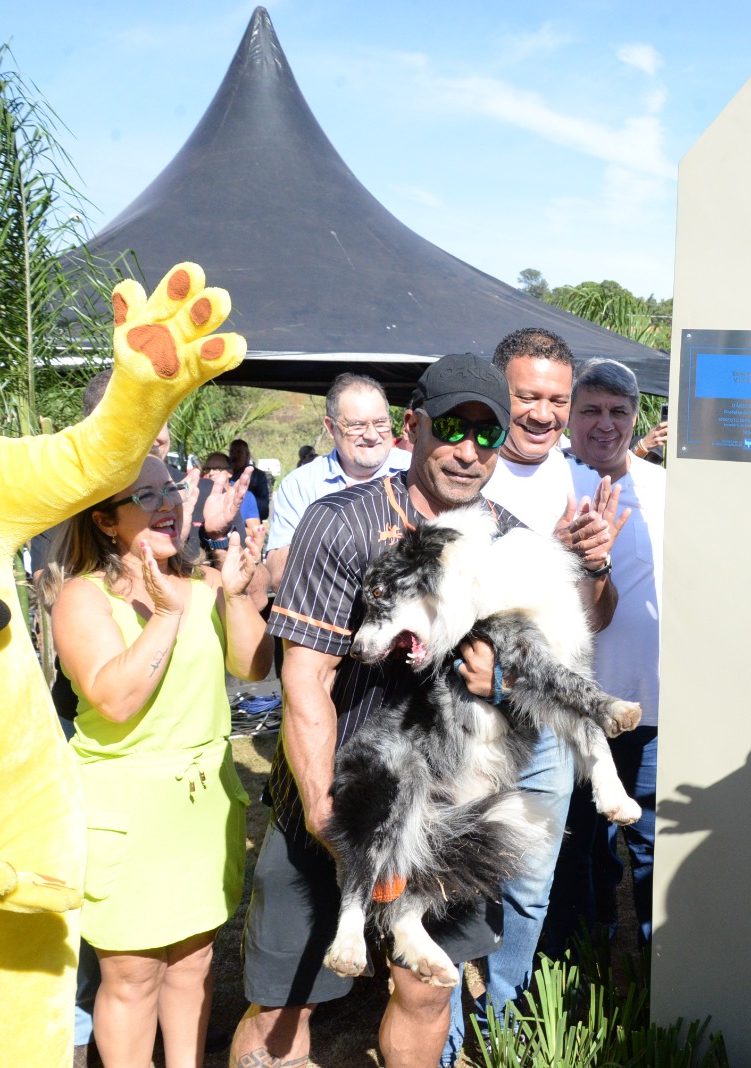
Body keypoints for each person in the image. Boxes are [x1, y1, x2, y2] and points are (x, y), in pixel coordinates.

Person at [231, 353, 520, 1068]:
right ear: (413, 427)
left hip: (445, 814)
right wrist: (327, 818)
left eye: (487, 435)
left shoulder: (510, 542)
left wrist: (501, 676)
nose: (468, 448)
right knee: (286, 1002)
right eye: (452, 426)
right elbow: (306, 677)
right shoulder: (344, 524)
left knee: (426, 993)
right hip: (330, 792)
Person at [48, 456, 271, 1068]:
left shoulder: (200, 586)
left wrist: (239, 591)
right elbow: (116, 699)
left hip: (202, 807)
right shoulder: (82, 598)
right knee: (132, 978)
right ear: (105, 520)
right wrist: (168, 616)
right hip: (129, 814)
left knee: (196, 962)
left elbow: (254, 667)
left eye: (171, 486)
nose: (168, 501)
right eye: (145, 495)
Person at [469, 329, 625, 1043]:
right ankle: (433, 1028)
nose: (542, 413)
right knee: (451, 875)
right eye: (527, 396)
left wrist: (592, 568)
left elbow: (593, 619)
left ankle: (498, 1021)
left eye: (556, 399)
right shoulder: (464, 469)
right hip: (467, 716)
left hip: (547, 719)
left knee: (531, 885)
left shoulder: (584, 483)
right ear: (501, 395)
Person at [544, 359, 665, 951]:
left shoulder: (667, 489)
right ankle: (586, 961)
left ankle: (658, 966)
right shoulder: (550, 485)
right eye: (589, 410)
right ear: (569, 416)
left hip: (654, 705)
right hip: (574, 710)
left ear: (636, 417)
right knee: (580, 843)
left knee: (652, 845)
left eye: (619, 412)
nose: (605, 424)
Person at [264, 373, 411, 591]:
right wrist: (332, 528)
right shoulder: (300, 484)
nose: (371, 435)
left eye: (380, 422)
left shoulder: (415, 470)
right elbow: (277, 577)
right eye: (357, 425)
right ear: (331, 428)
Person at [228, 438, 271, 520]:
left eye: (239, 452)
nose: (235, 455)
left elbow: (264, 509)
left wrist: (243, 501)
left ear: (247, 455)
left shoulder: (258, 476)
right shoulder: (225, 475)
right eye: (232, 452)